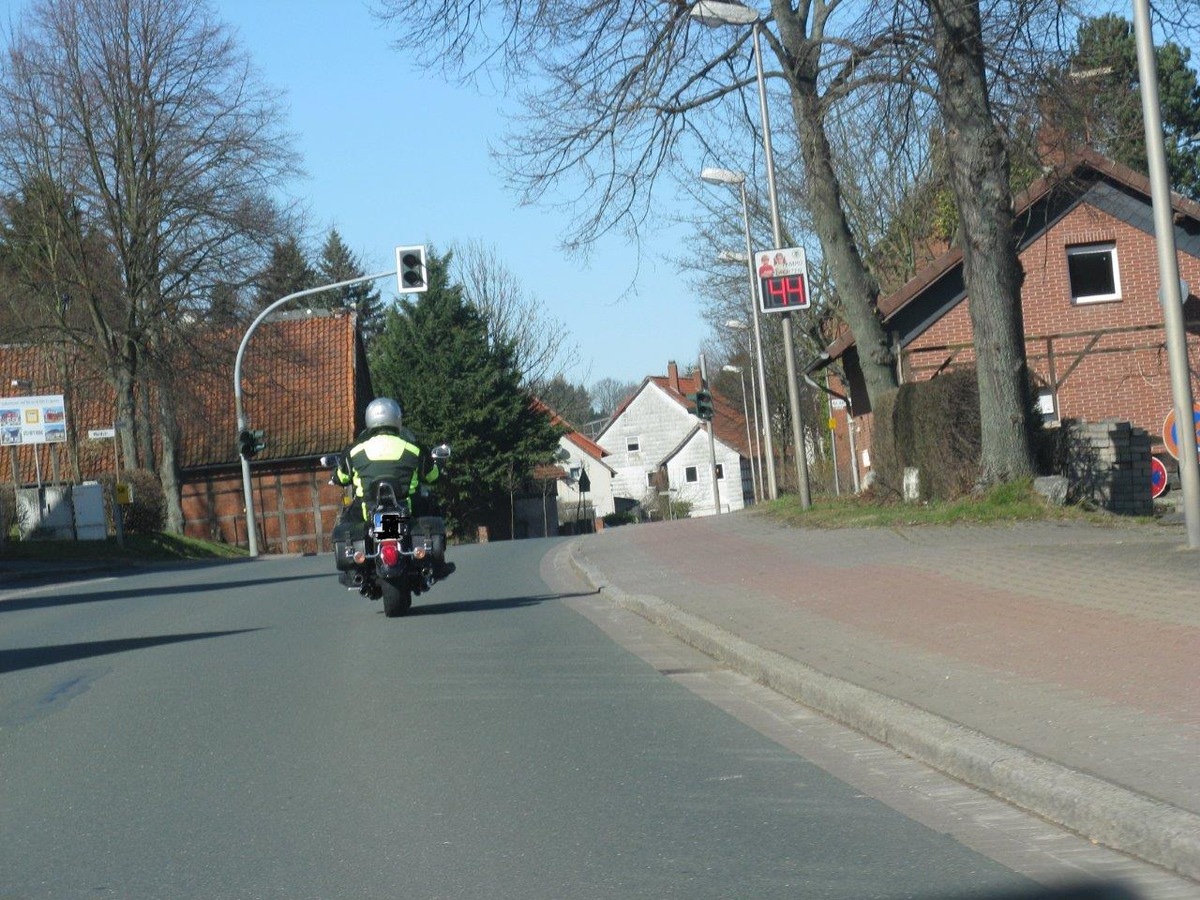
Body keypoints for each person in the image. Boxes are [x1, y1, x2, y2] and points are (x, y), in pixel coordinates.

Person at [335, 396, 451, 577]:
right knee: (432, 507)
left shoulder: (354, 451)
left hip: (368, 510)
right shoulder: (414, 449)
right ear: (397, 418)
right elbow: (432, 477)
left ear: (369, 419)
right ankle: (437, 562)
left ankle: (355, 568)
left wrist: (336, 475)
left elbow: (341, 477)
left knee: (347, 519)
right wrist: (438, 467)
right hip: (408, 508)